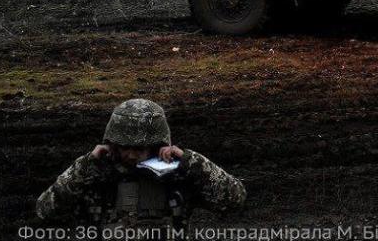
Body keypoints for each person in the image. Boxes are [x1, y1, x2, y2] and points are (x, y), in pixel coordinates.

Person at [36, 98, 246, 229]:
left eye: (139, 149)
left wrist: (191, 162)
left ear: (158, 145)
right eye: (124, 146)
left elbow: (235, 198)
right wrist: (83, 167)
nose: (130, 155)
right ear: (112, 144)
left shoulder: (177, 175)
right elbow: (45, 210)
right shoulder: (93, 174)